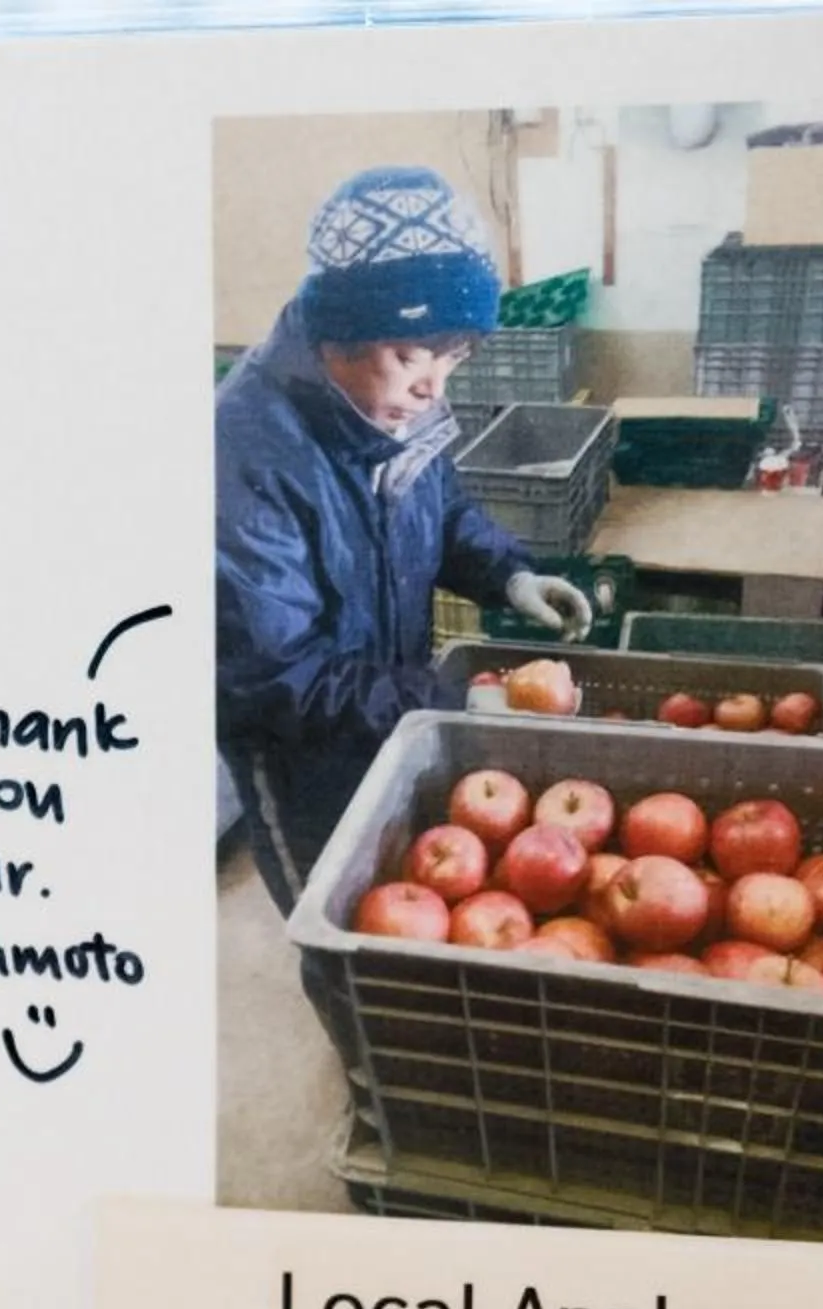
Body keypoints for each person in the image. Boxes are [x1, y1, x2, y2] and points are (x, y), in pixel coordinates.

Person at [217, 165, 594, 915]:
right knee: (335, 916)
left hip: (392, 709)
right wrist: (452, 698)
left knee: (406, 904)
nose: (434, 388)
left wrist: (510, 575)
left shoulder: (391, 410)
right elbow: (277, 678)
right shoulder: (243, 454)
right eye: (412, 354)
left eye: (452, 357)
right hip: (301, 760)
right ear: (341, 333)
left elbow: (441, 510)